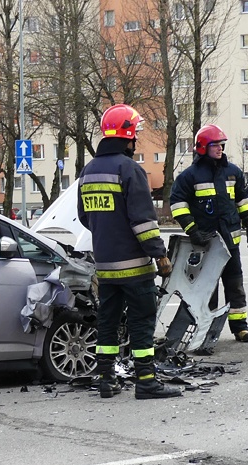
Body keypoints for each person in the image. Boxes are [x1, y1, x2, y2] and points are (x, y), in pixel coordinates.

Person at [77, 104, 181, 400]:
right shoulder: (130, 169)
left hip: (106, 266)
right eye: (135, 132)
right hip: (135, 266)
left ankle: (106, 379)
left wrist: (108, 231)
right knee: (141, 321)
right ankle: (146, 381)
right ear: (128, 135)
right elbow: (144, 222)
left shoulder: (88, 171)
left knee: (108, 322)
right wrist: (159, 255)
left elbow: (86, 217)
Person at [168, 124, 248, 342]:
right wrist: (193, 231)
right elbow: (178, 205)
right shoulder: (189, 176)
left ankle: (240, 328)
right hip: (205, 243)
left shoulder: (233, 172)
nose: (220, 149)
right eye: (215, 145)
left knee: (235, 285)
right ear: (202, 148)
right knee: (207, 289)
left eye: (221, 145)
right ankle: (206, 330)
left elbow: (243, 200)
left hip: (230, 243)